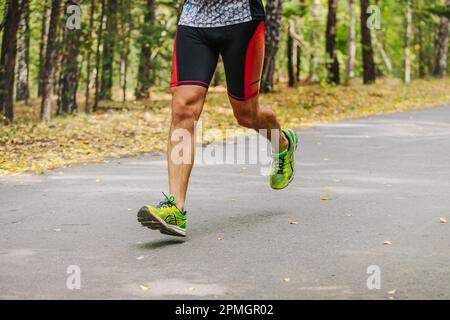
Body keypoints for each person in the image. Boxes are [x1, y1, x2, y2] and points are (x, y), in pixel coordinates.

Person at [137, 0, 299, 237]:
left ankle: (282, 142)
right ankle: (175, 208)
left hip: (242, 20)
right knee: (183, 108)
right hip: (195, 19)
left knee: (246, 114)